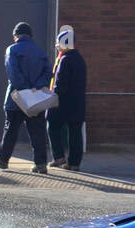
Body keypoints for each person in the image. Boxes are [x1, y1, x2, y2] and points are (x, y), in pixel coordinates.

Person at [0, 21, 51, 175]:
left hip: (16, 98)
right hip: (36, 97)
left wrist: (24, 88)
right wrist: (36, 87)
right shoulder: (40, 52)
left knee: (11, 129)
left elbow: (13, 72)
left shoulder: (12, 50)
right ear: (30, 36)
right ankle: (41, 164)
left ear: (16, 35)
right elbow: (48, 72)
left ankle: (3, 160)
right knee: (38, 131)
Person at [47, 25, 87, 170]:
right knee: (75, 133)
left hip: (62, 103)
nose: (57, 46)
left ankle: (58, 157)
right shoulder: (80, 59)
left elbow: (60, 84)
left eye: (58, 43)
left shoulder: (64, 60)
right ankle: (74, 163)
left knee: (52, 126)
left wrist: (52, 97)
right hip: (78, 103)